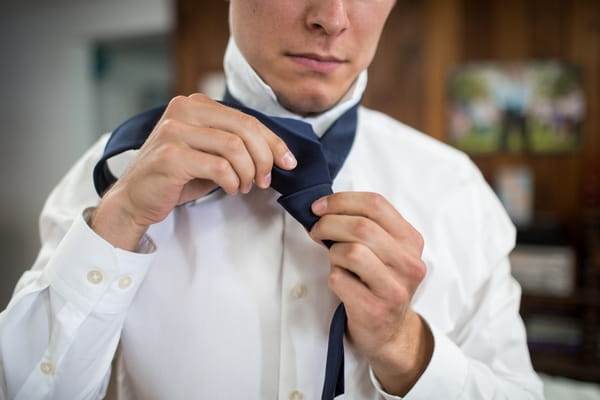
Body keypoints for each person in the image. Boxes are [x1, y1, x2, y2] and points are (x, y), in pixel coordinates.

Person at [0, 1, 543, 399]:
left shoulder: (457, 191)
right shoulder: (112, 175)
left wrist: (407, 349)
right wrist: (119, 221)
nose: (331, 18)